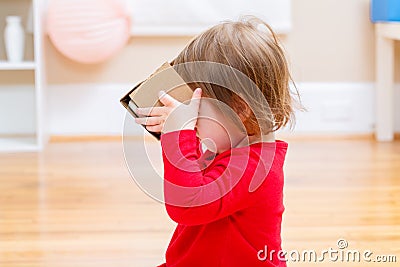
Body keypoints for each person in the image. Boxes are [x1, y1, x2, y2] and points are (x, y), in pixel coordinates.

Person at [134, 15, 300, 267]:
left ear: (239, 109)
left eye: (196, 106)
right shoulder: (230, 149)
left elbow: (187, 206)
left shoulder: (255, 168)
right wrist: (179, 134)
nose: (190, 115)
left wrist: (179, 135)